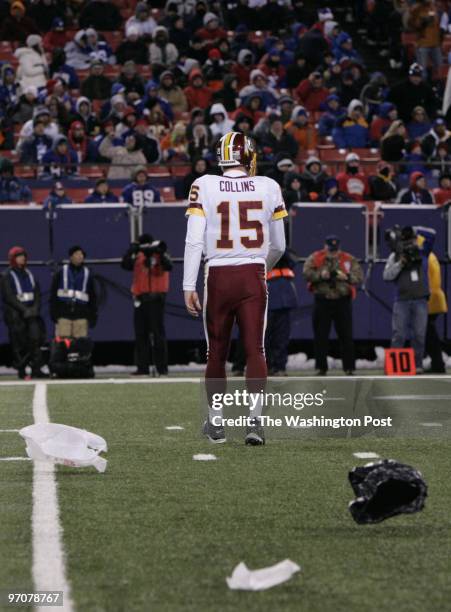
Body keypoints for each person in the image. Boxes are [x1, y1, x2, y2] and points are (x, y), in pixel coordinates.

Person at [183, 131, 287, 445]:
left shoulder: (204, 184)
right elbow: (280, 244)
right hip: (253, 273)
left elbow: (194, 239)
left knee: (216, 352)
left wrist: (188, 283)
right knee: (256, 349)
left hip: (217, 275)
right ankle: (255, 422)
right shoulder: (269, 186)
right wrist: (259, 268)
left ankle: (216, 424)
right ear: (249, 157)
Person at [303, 235, 363, 376]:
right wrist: (320, 275)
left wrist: (346, 277)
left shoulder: (348, 259)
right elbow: (306, 273)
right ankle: (321, 367)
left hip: (342, 300)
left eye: (335, 250)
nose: (333, 253)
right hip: (322, 300)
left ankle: (349, 367)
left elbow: (359, 276)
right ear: (325, 247)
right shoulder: (316, 257)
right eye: (330, 250)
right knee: (320, 336)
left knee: (346, 335)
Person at [121, 234, 173, 376]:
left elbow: (169, 266)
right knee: (141, 335)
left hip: (156, 299)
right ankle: (142, 367)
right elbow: (125, 265)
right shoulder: (137, 256)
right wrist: (131, 251)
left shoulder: (160, 254)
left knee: (158, 335)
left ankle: (161, 368)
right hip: (140, 299)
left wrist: (159, 253)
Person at [383, 226, 429, 374]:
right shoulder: (394, 256)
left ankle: (418, 364)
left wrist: (415, 231)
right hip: (402, 300)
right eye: (406, 240)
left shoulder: (422, 252)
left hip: (420, 299)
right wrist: (400, 263)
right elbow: (386, 276)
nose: (409, 244)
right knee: (399, 334)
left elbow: (432, 235)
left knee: (419, 334)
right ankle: (394, 367)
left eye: (412, 240)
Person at [0, 246, 46, 379]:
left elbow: (37, 293)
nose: (22, 258)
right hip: (15, 315)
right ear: (13, 259)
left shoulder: (29, 274)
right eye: (19, 256)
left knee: (35, 340)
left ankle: (36, 369)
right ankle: (22, 370)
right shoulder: (7, 275)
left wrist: (35, 308)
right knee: (19, 343)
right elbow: (8, 297)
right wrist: (24, 310)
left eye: (23, 256)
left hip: (31, 313)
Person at [50, 246, 98, 339]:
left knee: (80, 344)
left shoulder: (88, 274)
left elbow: (92, 297)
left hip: (81, 315)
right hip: (63, 314)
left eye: (81, 254)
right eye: (77, 254)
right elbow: (53, 294)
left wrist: (93, 316)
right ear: (71, 257)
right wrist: (53, 313)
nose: (80, 256)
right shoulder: (61, 272)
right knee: (63, 343)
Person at [265, 249, 299, 376]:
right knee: (266, 338)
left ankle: (279, 366)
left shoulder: (281, 250)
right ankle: (267, 366)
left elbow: (293, 260)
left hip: (284, 299)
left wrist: (278, 247)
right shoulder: (259, 250)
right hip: (268, 299)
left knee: (281, 337)